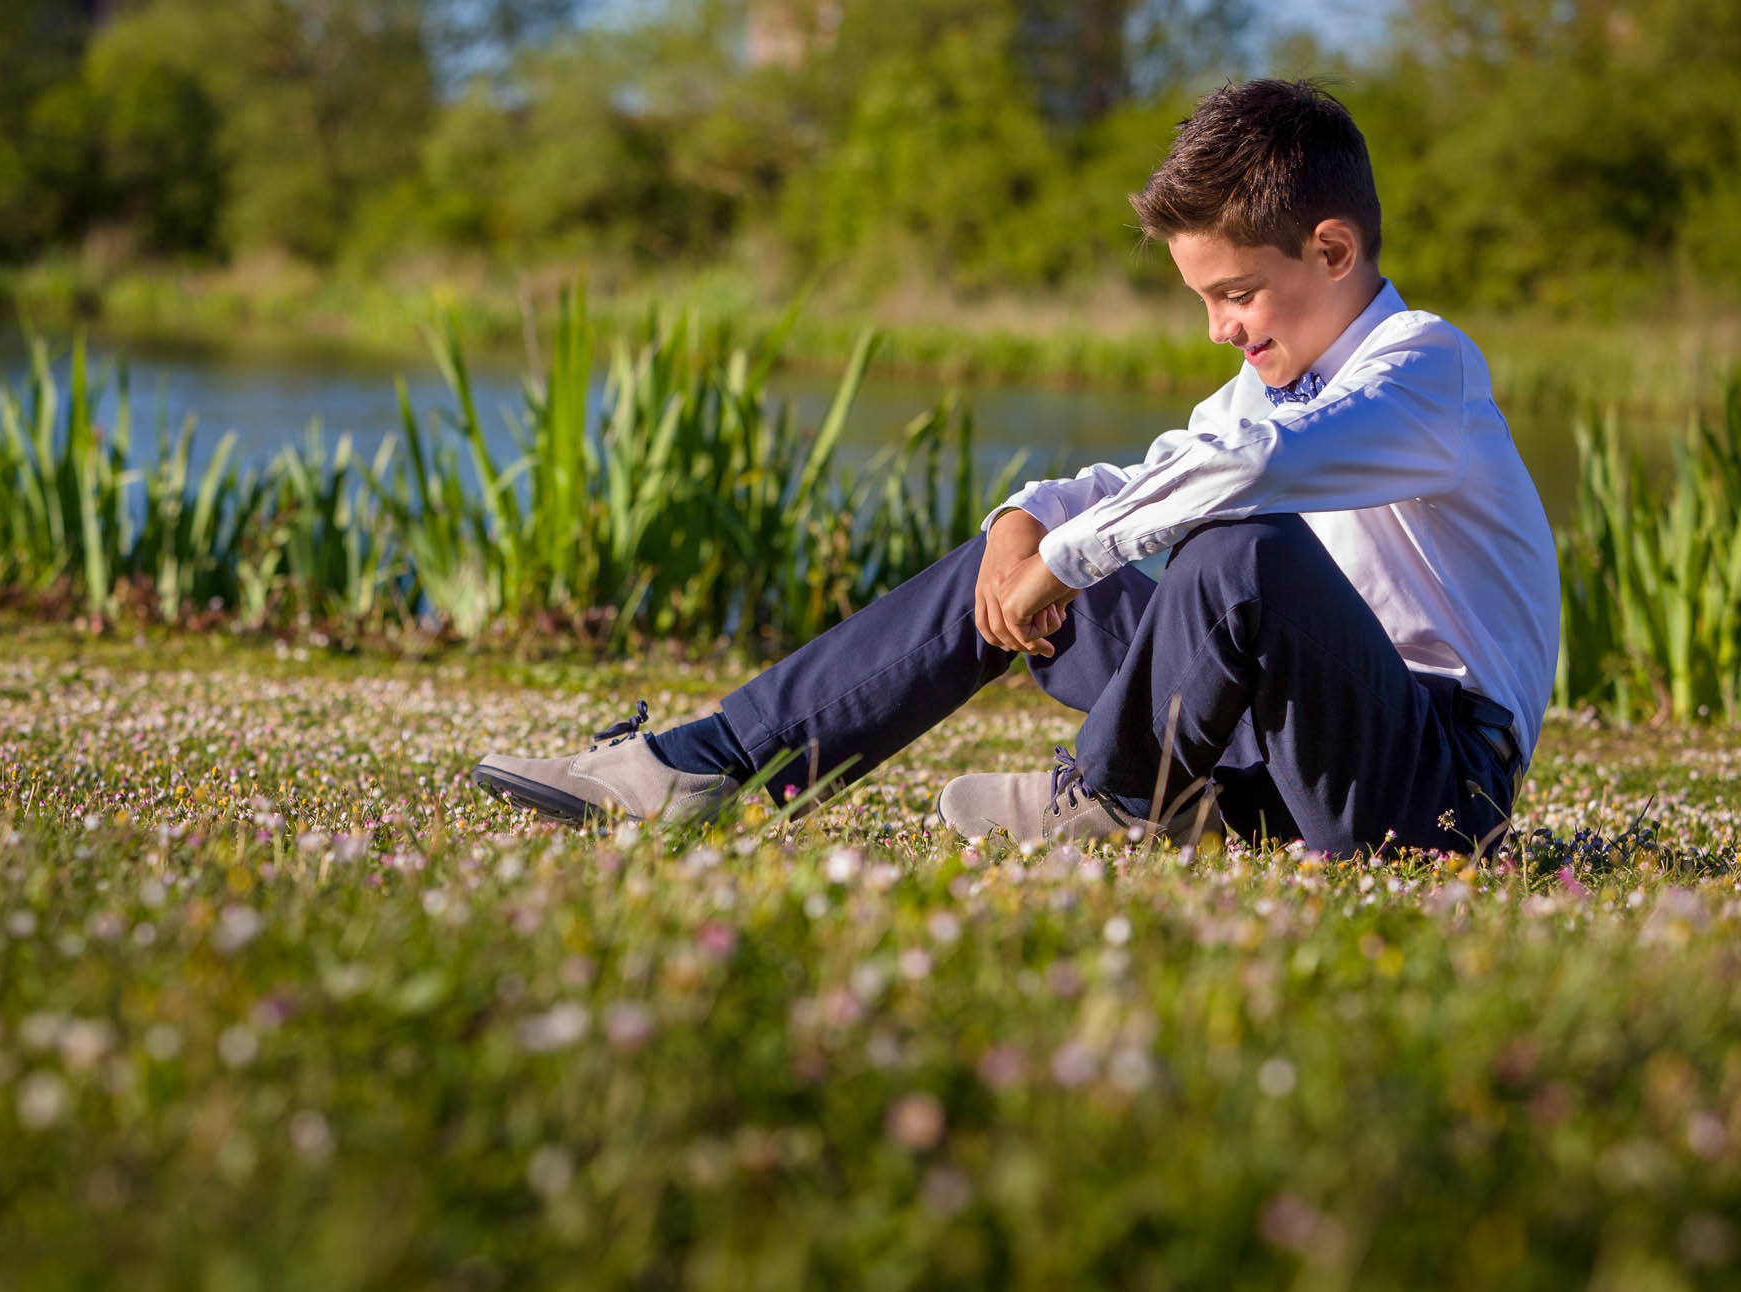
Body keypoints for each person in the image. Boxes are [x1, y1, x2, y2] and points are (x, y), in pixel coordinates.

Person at [471, 78, 1559, 859]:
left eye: (1234, 294)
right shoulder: (1262, 389)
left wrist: (1073, 556)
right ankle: (706, 768)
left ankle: (1112, 796)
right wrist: (1024, 523)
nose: (1219, 330)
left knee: (1239, 550)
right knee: (1036, 558)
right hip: (1280, 751)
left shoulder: (1425, 367)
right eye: (1202, 303)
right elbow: (1160, 471)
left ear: (1330, 252)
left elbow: (1245, 475)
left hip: (1430, 776)